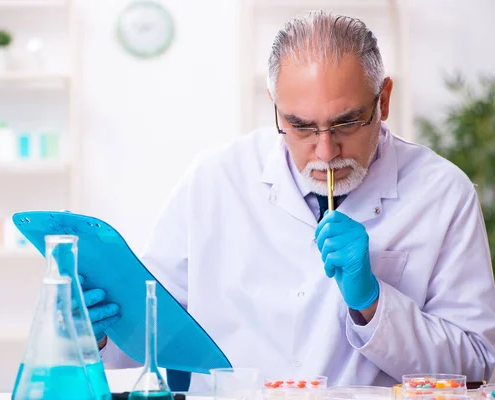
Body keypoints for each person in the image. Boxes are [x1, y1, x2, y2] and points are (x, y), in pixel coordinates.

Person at [83, 10, 495, 391]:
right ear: (275, 106)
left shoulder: (441, 192)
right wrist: (101, 328)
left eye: (346, 123)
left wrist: (373, 303)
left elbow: (479, 363)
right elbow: (149, 334)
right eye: (300, 126)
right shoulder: (213, 180)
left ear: (383, 100)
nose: (326, 152)